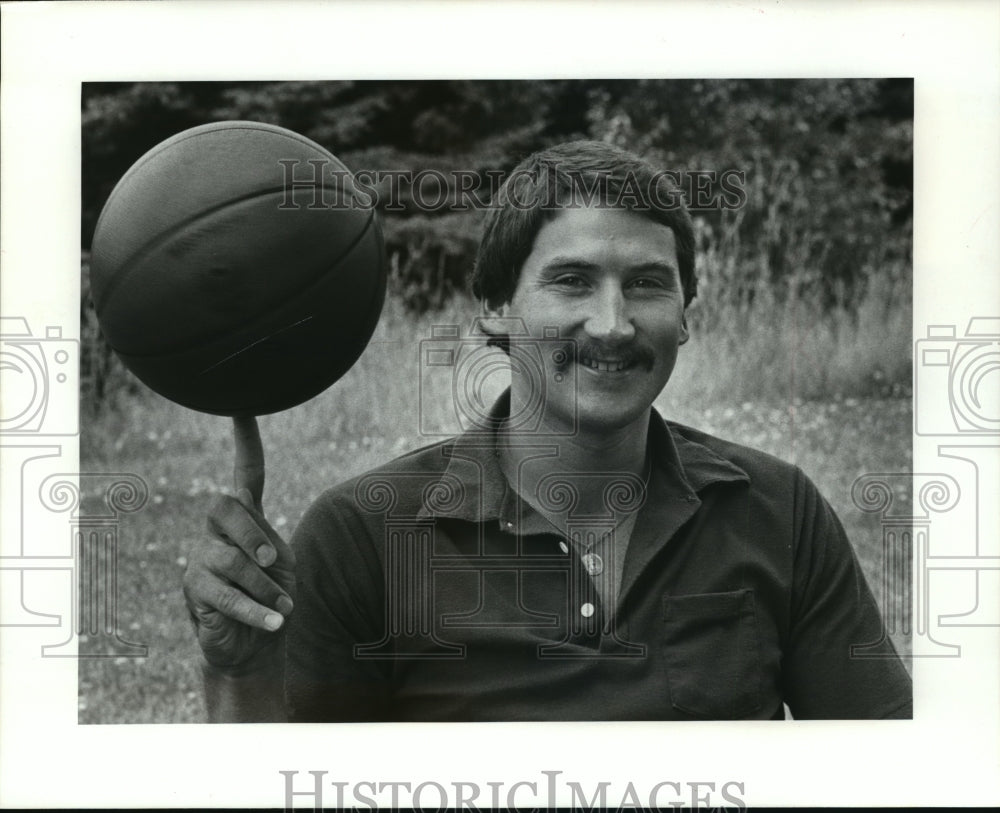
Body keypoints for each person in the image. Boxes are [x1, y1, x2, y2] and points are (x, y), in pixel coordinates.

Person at [183, 141, 913, 722]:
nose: (613, 323)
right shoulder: (362, 534)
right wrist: (240, 668)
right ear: (497, 310)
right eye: (572, 281)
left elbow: (892, 769)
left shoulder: (779, 509)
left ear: (686, 314)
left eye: (648, 284)